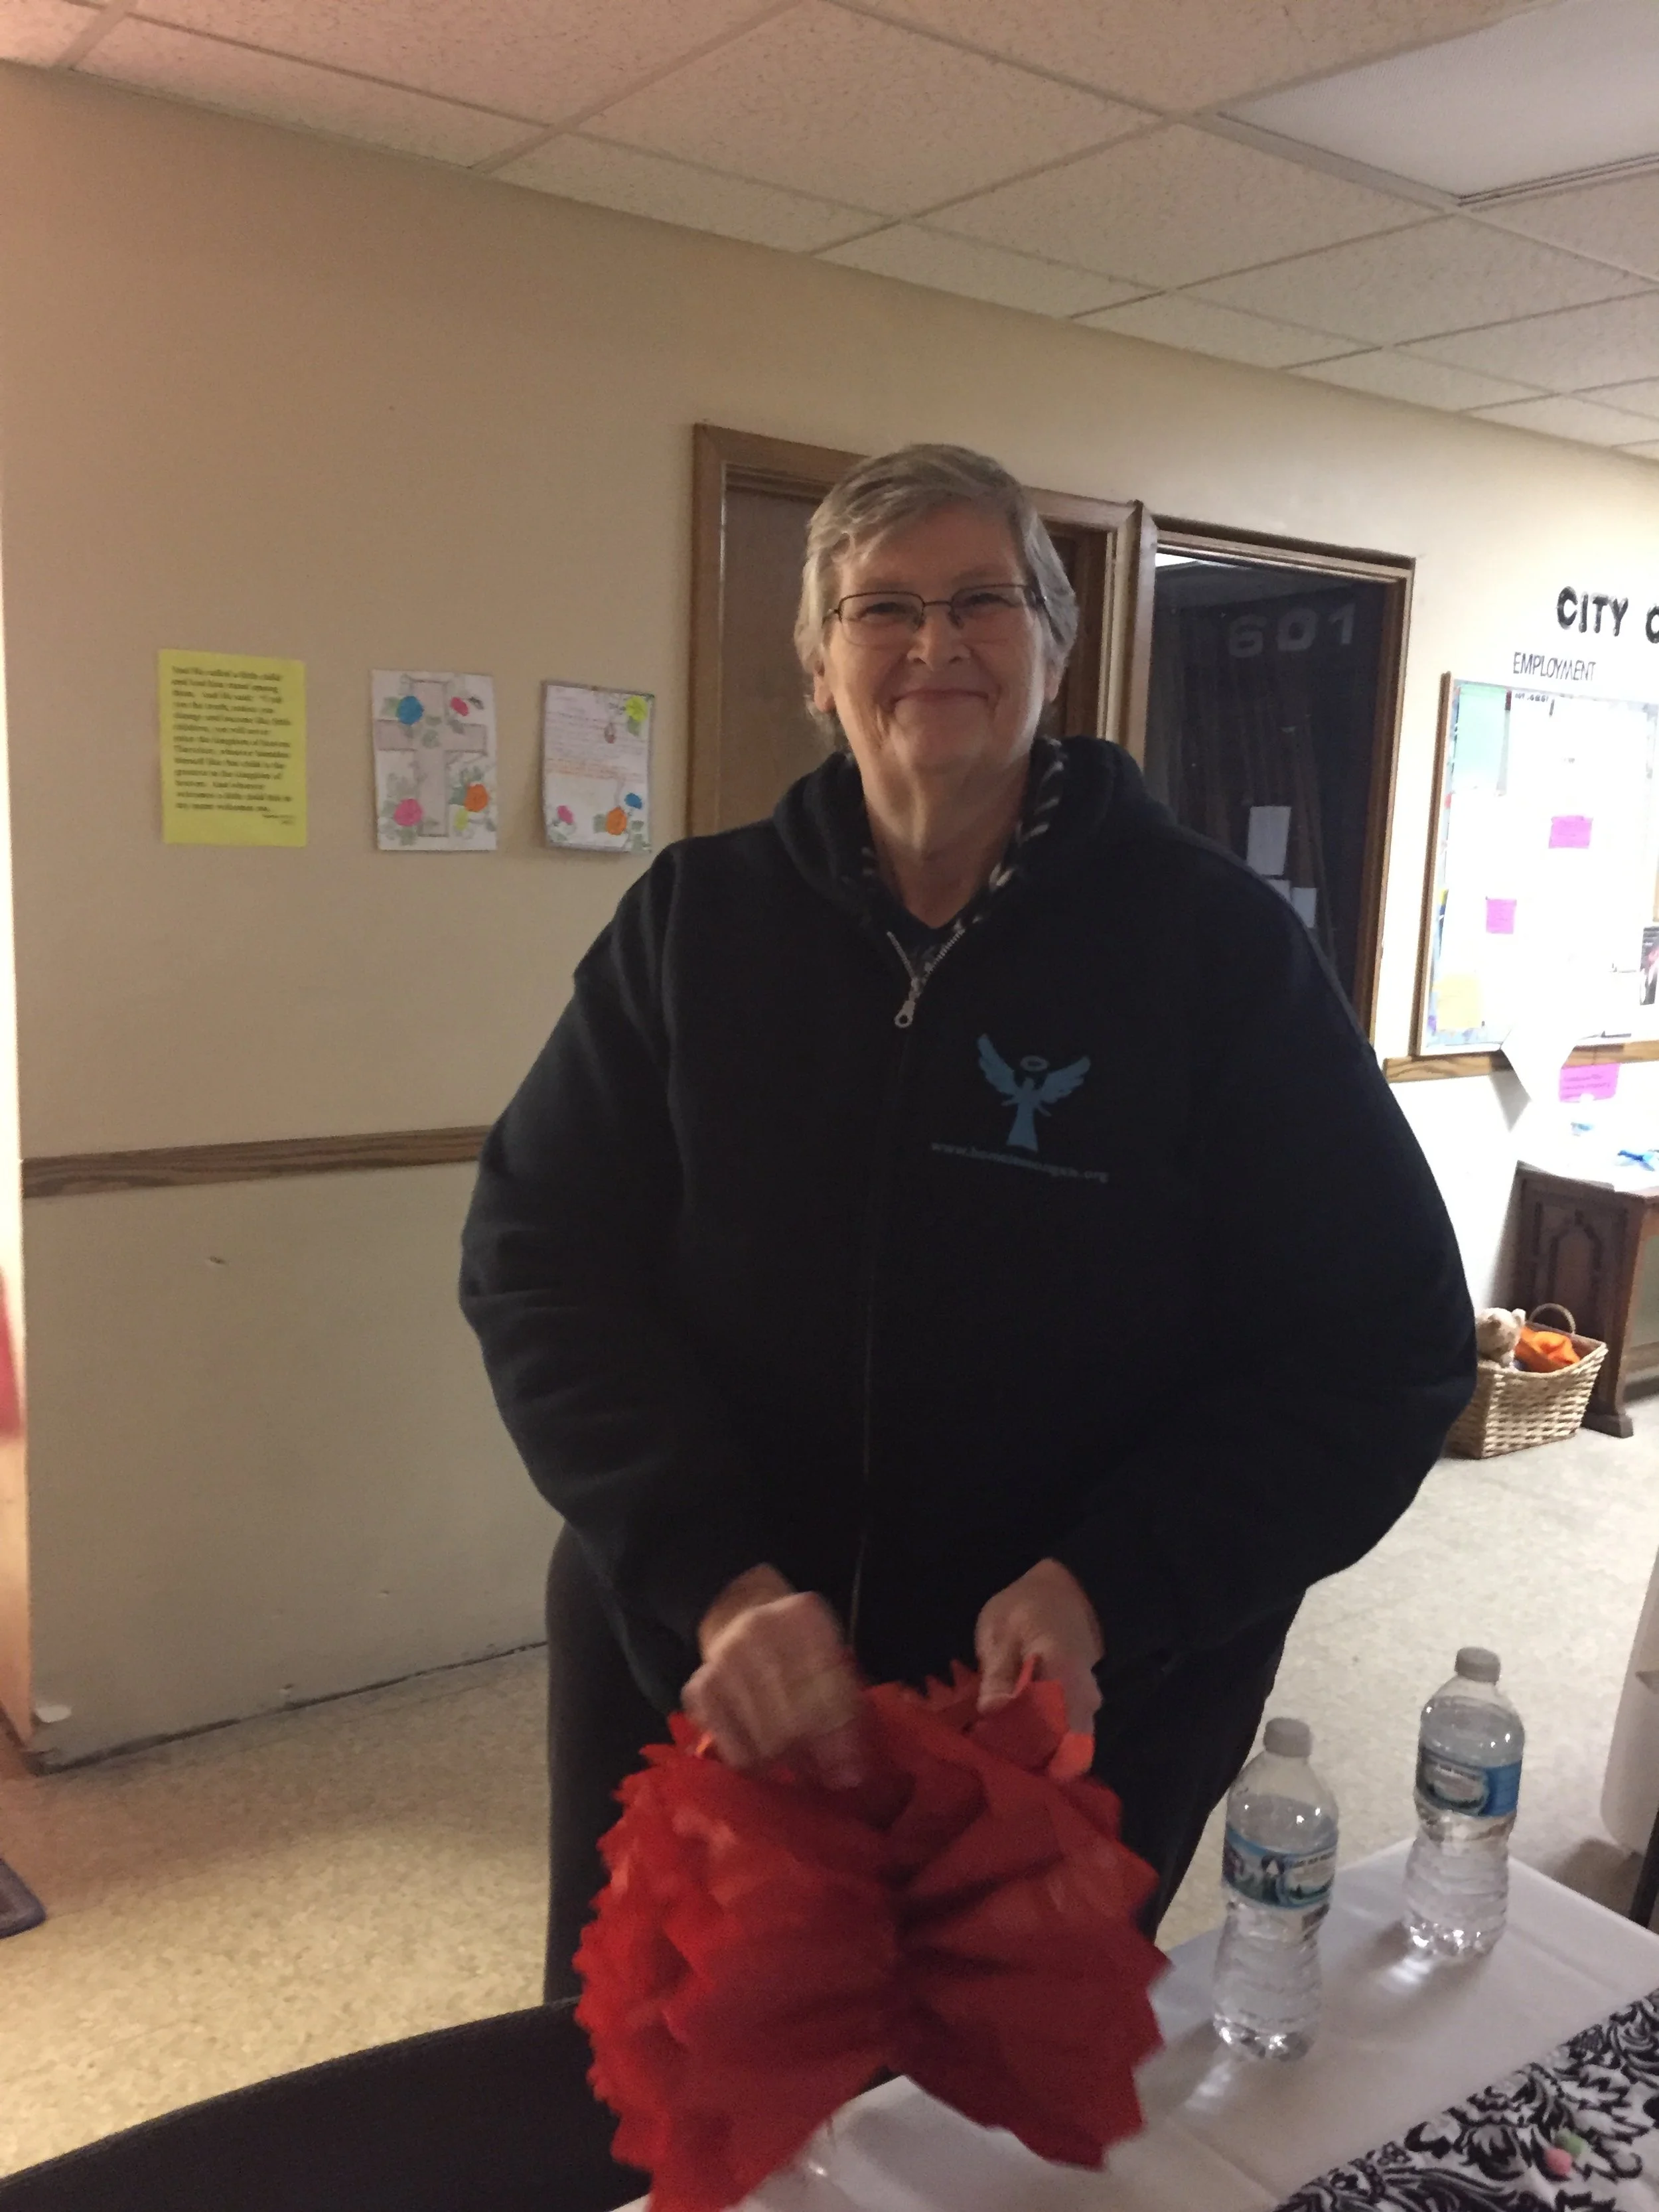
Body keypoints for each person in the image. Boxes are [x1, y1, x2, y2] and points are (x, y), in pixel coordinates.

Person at [461, 443, 1475, 2002]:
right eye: (881, 608)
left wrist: (1111, 1587)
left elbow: (1382, 1345)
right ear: (816, 668)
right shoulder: (693, 924)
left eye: (982, 600)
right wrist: (709, 1571)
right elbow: (540, 1257)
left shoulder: (1213, 952)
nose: (933, 644)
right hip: (705, 1655)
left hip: (1068, 1700)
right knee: (680, 2060)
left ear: (1054, 651)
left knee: (980, 2093)